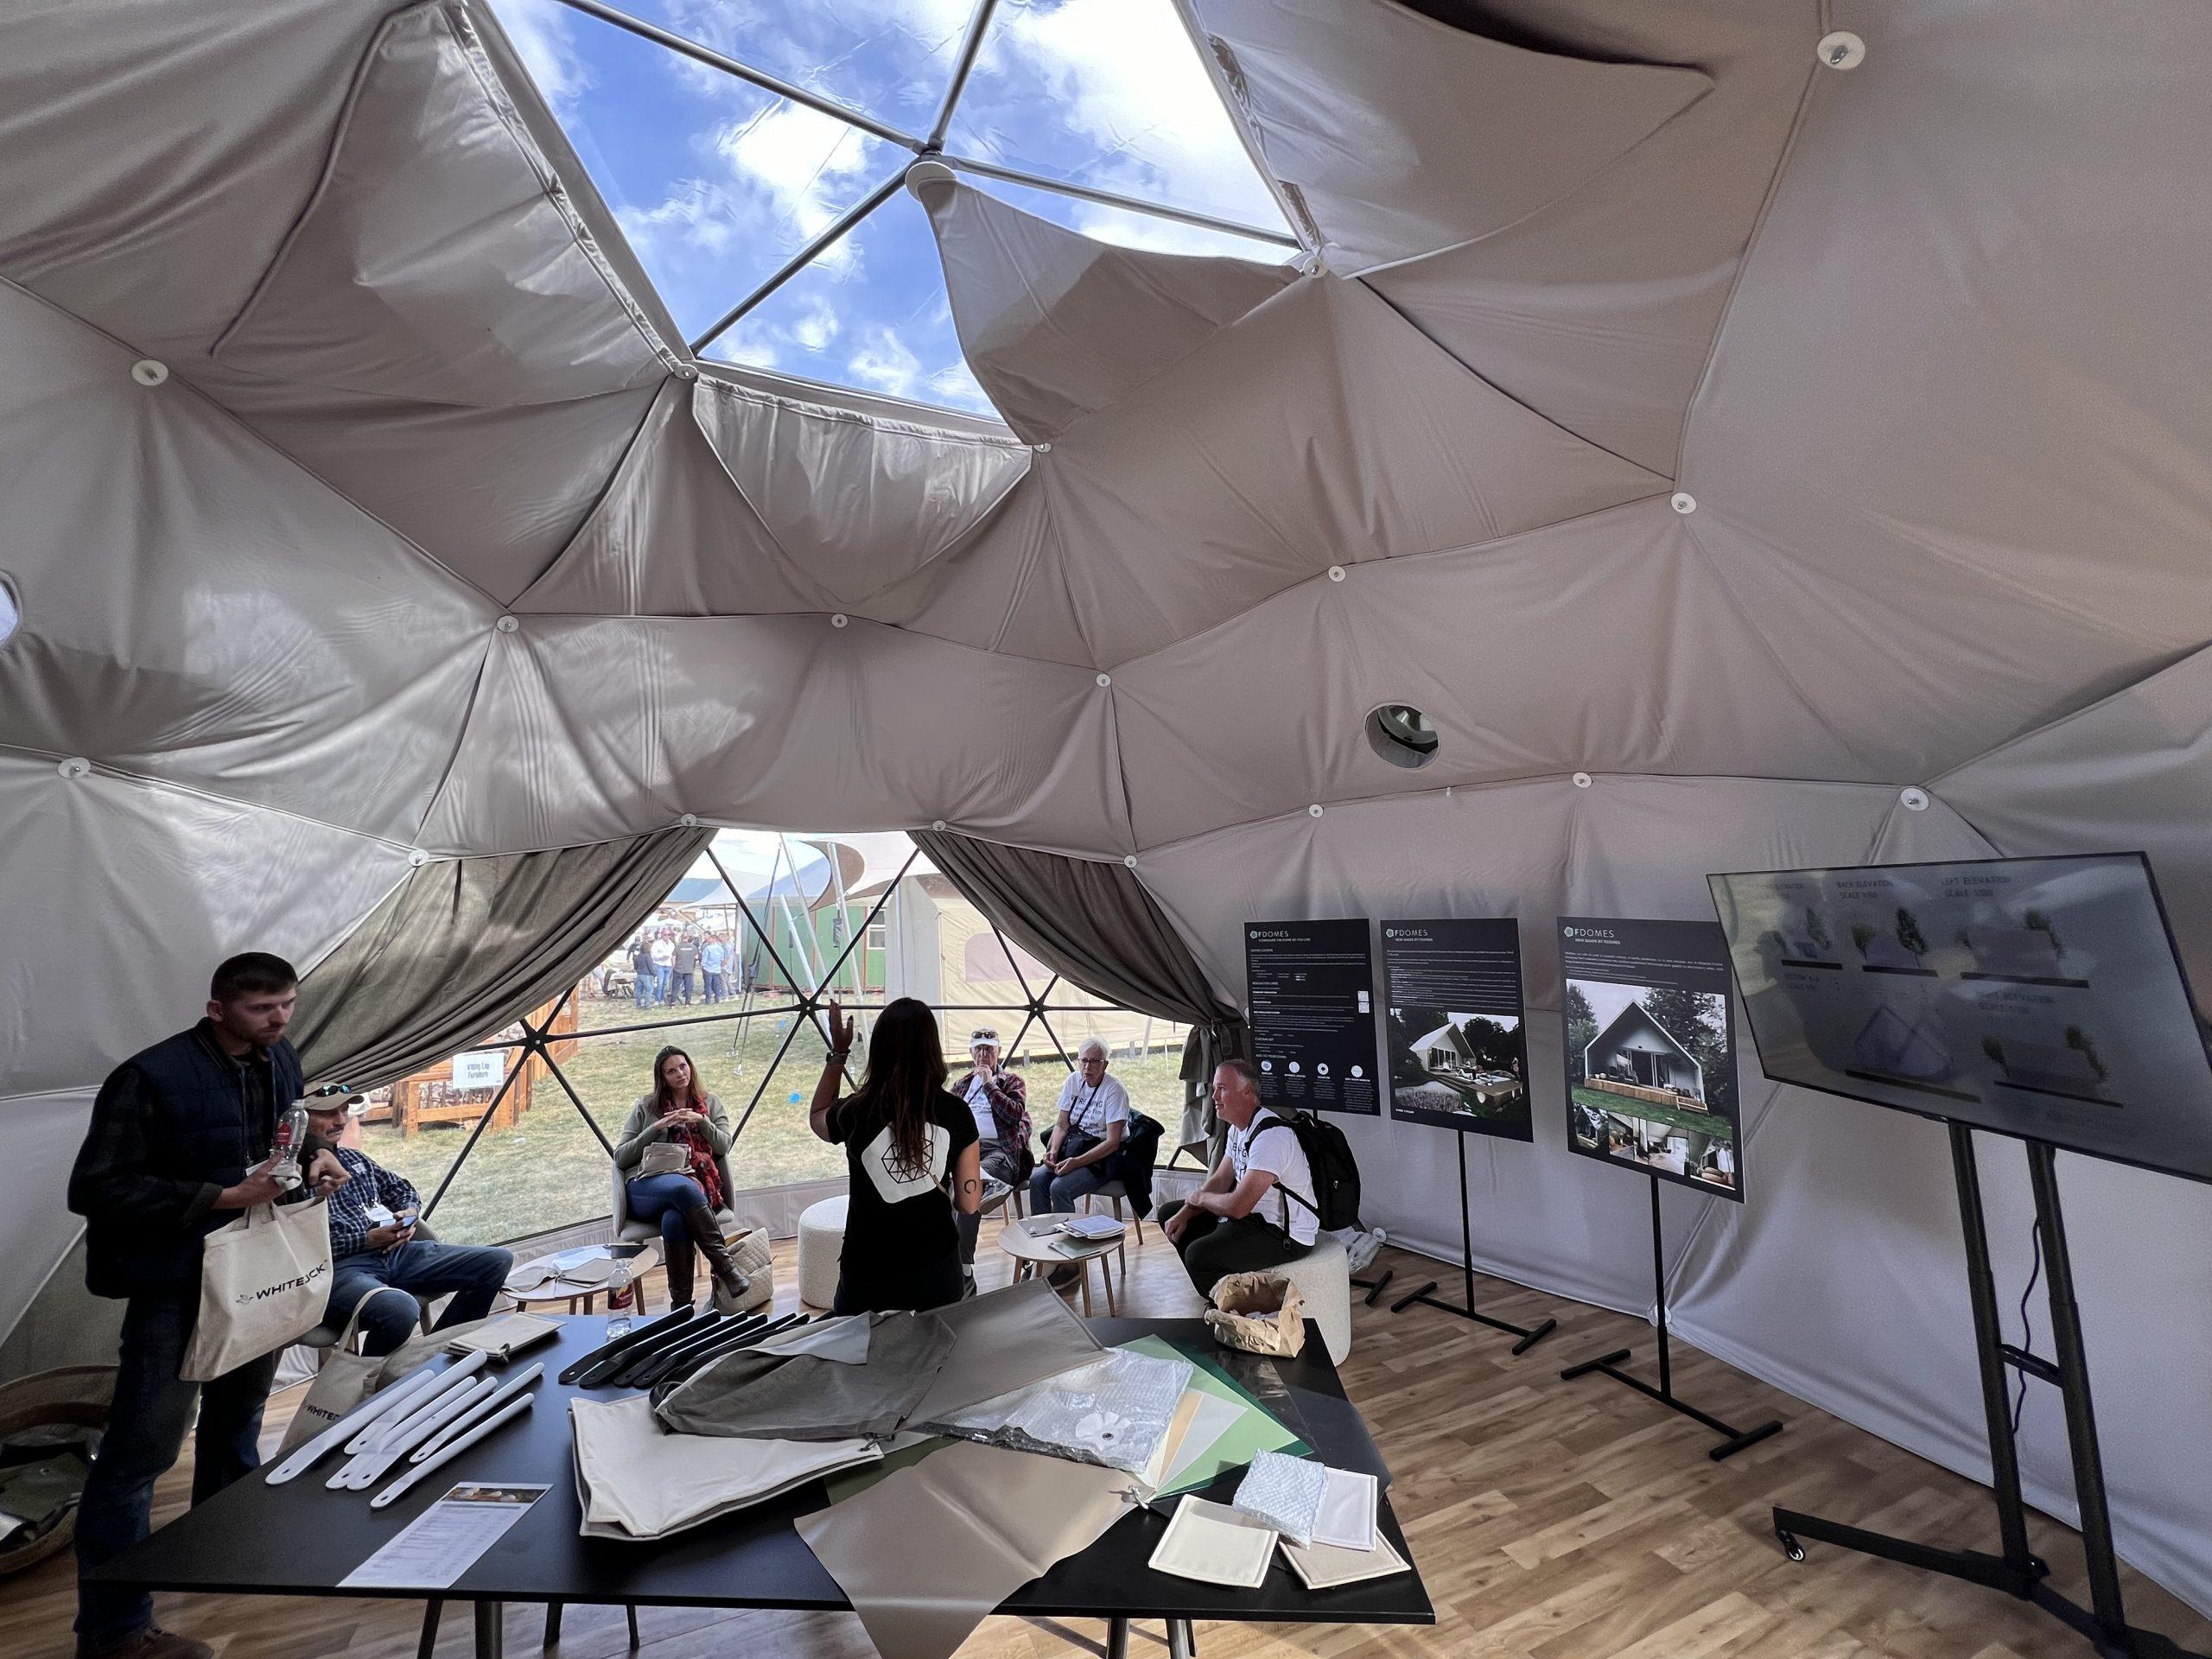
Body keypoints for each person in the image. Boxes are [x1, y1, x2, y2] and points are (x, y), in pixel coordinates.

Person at [67, 953, 352, 1659]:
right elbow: (97, 1189)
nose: (281, 1018)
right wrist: (223, 1197)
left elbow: (286, 1124)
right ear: (218, 1008)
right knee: (138, 1458)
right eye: (263, 1008)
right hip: (176, 1285)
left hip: (254, 1273)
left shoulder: (278, 1056)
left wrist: (316, 1150)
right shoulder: (150, 1077)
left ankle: (230, 1553)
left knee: (237, 1424)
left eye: (287, 1004)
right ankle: (115, 1635)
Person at [302, 1096, 513, 1356]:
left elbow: (401, 1189)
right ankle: (376, 1384)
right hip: (338, 1270)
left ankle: (439, 1355)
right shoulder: (291, 1176)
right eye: (329, 1114)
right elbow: (295, 1248)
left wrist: (409, 1214)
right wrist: (367, 1240)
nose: (342, 1121)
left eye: (344, 1111)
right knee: (400, 1309)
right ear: (301, 1117)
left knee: (497, 1260)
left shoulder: (352, 1158)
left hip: (396, 1252)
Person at [809, 998, 982, 1313]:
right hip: (936, 1273)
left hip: (867, 1275)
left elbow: (818, 1116)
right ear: (932, 1047)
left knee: (862, 1355)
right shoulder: (957, 1112)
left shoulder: (856, 1111)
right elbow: (969, 1203)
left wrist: (839, 1054)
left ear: (880, 1050)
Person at [1156, 1058, 1317, 1299]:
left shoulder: (1271, 1138)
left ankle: (1233, 1311)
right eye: (1214, 1089)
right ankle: (1218, 1295)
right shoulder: (1238, 1129)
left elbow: (1237, 1207)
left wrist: (1200, 1198)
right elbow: (1221, 1180)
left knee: (1198, 1255)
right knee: (1170, 1213)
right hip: (1254, 1219)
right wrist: (1187, 1210)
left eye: (1222, 1089)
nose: (1214, 1097)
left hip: (1285, 1234)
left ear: (1247, 1092)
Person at [613, 1046, 749, 1309]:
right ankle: (726, 1268)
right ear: (662, 1077)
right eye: (671, 1071)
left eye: (683, 1066)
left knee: (675, 1219)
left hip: (694, 1186)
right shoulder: (647, 1106)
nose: (679, 1074)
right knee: (683, 1189)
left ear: (691, 1067)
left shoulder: (710, 1102)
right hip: (646, 1185)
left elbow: (723, 1147)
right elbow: (621, 1157)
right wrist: (655, 1128)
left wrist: (701, 1121)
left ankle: (681, 1307)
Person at [946, 1027, 1031, 1295]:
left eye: (989, 1049)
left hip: (999, 1152)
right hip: (964, 1151)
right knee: (948, 1186)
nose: (984, 1054)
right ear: (971, 1052)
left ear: (998, 1052)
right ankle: (940, 1261)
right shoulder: (959, 1086)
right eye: (979, 1049)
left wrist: (988, 1083)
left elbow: (1015, 1115)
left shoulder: (1012, 1081)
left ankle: (964, 1268)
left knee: (972, 1183)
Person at [1027, 1038, 1128, 1217]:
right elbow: (1061, 1124)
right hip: (1075, 1147)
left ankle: (1067, 1241)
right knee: (1037, 1180)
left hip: (1104, 1157)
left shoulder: (1114, 1090)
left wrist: (1076, 1163)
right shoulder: (1073, 1080)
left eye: (1094, 1061)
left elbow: (1113, 1143)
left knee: (1059, 1188)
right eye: (1084, 1061)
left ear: (1104, 1065)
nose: (1087, 1067)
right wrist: (1053, 1151)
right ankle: (1043, 1238)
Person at [629, 934, 656, 1009]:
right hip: (647, 975)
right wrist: (654, 974)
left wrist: (638, 971)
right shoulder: (648, 957)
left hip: (639, 975)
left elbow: (635, 967)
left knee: (639, 990)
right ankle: (647, 1005)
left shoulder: (637, 957)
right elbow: (650, 967)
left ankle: (638, 1005)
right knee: (649, 990)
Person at [671, 934, 699, 1005]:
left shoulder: (677, 947)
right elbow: (696, 957)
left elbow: (673, 958)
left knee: (676, 986)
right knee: (688, 986)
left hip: (678, 969)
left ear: (681, 938)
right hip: (689, 970)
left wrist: (673, 967)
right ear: (688, 938)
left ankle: (673, 1002)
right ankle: (687, 1002)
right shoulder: (693, 947)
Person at [701, 935, 727, 1004]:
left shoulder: (708, 948)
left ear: (713, 939)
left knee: (708, 985)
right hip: (717, 969)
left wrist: (703, 966)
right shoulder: (720, 949)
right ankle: (717, 998)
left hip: (708, 969)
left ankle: (708, 1000)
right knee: (716, 985)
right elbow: (722, 959)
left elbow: (704, 958)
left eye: (709, 939)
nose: (707, 940)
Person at [649, 932, 674, 1004]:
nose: (667, 936)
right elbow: (653, 954)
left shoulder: (671, 944)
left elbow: (673, 955)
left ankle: (662, 998)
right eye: (665, 935)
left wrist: (673, 964)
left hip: (668, 965)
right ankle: (657, 999)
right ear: (662, 935)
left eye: (668, 935)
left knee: (665, 983)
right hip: (659, 964)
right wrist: (661, 957)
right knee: (660, 982)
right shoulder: (657, 944)